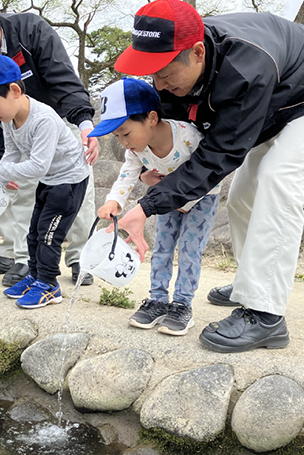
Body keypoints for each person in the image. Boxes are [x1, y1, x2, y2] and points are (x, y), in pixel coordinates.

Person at [112, 0, 304, 352]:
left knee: (277, 178)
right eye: (152, 74)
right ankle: (252, 280)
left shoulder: (246, 67)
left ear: (197, 53)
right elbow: (176, 134)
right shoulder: (180, 65)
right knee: (242, 195)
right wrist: (151, 172)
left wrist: (147, 206)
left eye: (166, 75)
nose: (159, 84)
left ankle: (266, 313)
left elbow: (218, 156)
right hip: (279, 99)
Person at [0, 0, 98, 287]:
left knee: (77, 193)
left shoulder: (30, 31)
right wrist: (0, 163)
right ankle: (26, 259)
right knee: (22, 193)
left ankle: (79, 257)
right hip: (12, 126)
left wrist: (84, 120)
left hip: (58, 119)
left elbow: (62, 78)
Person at [91, 78, 220, 336]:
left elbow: (207, 172)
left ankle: (182, 305)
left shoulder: (188, 137)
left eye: (125, 133)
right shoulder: (136, 149)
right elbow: (128, 174)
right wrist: (114, 201)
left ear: (151, 118)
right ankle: (157, 300)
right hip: (166, 198)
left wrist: (182, 200)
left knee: (190, 250)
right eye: (117, 136)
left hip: (202, 198)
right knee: (162, 247)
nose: (123, 142)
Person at [0, 55, 89, 308]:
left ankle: (49, 285)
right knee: (34, 232)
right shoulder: (9, 120)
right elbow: (12, 153)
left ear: (15, 90)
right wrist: (1, 176)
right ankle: (35, 275)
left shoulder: (43, 119)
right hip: (49, 180)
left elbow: (38, 165)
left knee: (49, 235)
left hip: (69, 181)